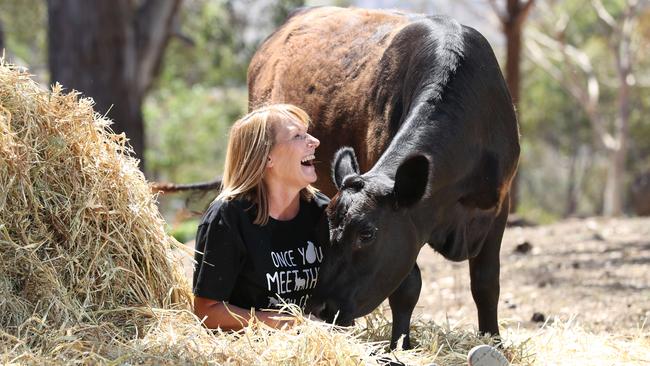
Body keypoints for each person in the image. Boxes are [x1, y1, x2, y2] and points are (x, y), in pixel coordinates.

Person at [192, 104, 329, 330]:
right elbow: (207, 312)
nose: (315, 141)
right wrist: (288, 324)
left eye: (308, 133)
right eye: (298, 136)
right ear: (267, 158)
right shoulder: (227, 218)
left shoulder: (322, 211)